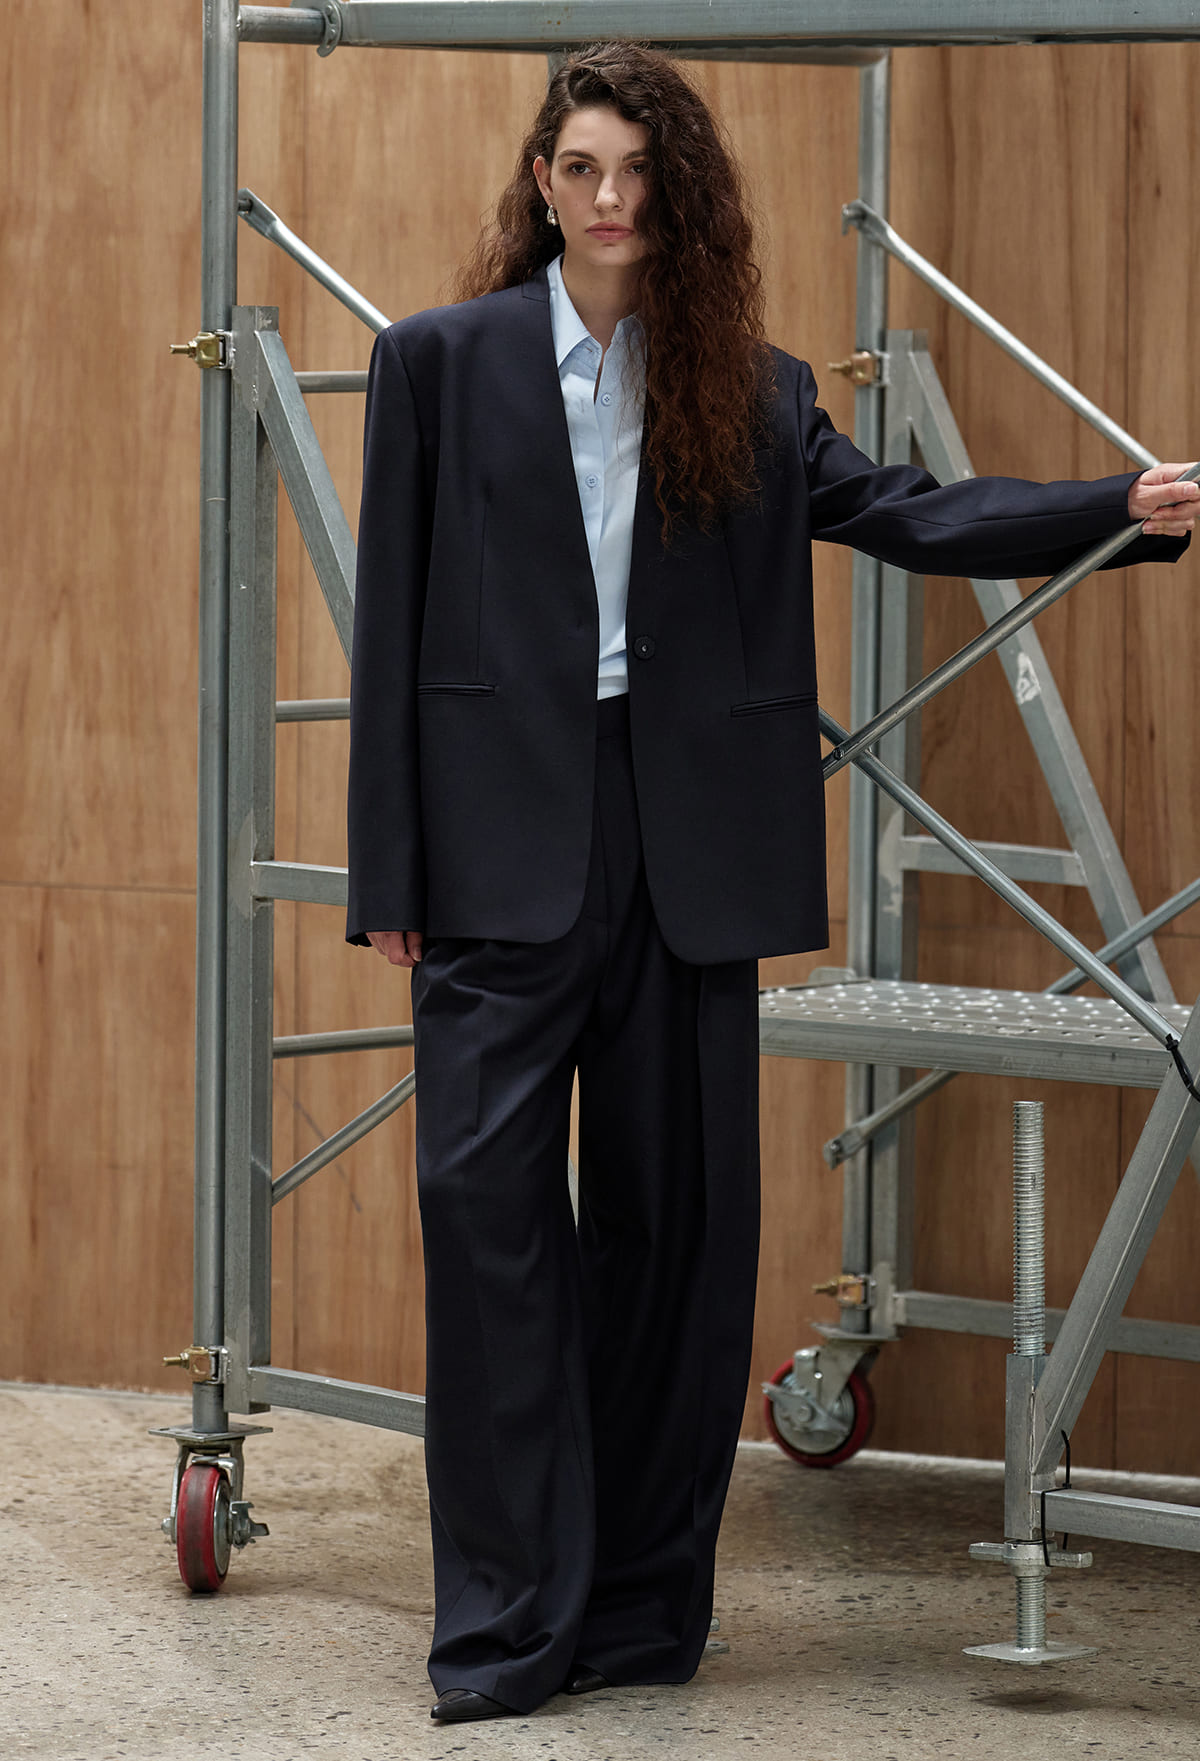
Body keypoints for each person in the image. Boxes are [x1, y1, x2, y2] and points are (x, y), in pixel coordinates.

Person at [346, 42, 1195, 1724]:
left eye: (639, 174)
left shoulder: (751, 386)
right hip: (500, 855)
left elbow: (909, 513)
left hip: (688, 859)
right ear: (541, 182)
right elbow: (389, 634)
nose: (610, 199)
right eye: (582, 168)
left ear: (681, 199)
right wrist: (392, 872)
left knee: (677, 1243)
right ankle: (507, 1624)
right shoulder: (436, 362)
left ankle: (641, 1609)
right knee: (487, 1226)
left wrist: (1120, 506)